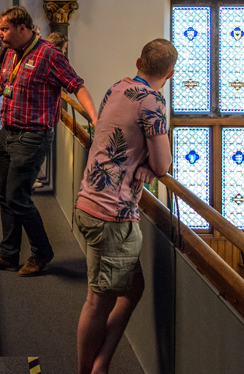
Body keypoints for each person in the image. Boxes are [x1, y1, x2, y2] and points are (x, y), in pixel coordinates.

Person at [0, 6, 98, 276]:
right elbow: (3, 83)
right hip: (9, 130)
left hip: (32, 136)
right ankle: (9, 253)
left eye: (4, 29)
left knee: (17, 197)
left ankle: (41, 252)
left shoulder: (49, 54)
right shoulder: (10, 52)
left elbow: (76, 85)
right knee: (1, 192)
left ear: (22, 28)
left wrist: (94, 117)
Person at [74, 39, 176, 374]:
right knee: (97, 302)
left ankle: (100, 363)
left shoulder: (118, 87)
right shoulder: (152, 100)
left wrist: (143, 160)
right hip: (112, 215)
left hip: (88, 201)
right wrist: (150, 164)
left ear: (138, 61)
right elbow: (163, 165)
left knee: (133, 289)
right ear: (170, 74)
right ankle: (89, 369)